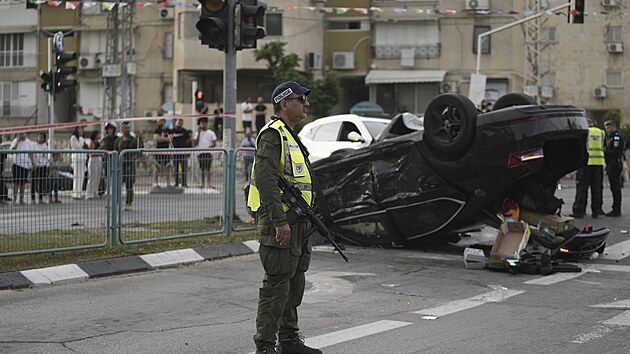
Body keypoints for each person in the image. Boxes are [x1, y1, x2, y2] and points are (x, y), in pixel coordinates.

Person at [247, 82, 321, 354]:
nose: (306, 104)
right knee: (277, 285)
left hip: (299, 222)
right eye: (301, 100)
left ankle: (289, 341)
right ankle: (265, 346)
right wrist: (279, 221)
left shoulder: (292, 135)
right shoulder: (273, 135)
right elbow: (265, 180)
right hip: (281, 223)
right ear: (285, 103)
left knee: (294, 284)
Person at [571, 119, 605, 219]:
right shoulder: (601, 132)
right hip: (598, 163)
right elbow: (602, 146)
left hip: (586, 163)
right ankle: (596, 211)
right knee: (597, 189)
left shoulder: (584, 132)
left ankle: (579, 211)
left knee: (582, 188)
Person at [115, 121, 144, 211]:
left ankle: (129, 203)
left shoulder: (134, 140)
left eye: (128, 128)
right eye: (125, 128)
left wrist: (133, 158)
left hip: (130, 165)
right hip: (120, 165)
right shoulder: (118, 140)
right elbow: (115, 150)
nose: (127, 130)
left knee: (129, 185)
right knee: (118, 185)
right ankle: (116, 203)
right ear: (121, 129)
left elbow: (140, 150)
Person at [603, 120, 625, 217]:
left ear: (613, 127)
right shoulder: (611, 137)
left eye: (608, 128)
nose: (607, 130)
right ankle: (615, 208)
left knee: (616, 187)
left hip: (615, 164)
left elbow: (615, 152)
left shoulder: (616, 137)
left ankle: (616, 209)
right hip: (611, 164)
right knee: (614, 187)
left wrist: (604, 151)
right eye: (606, 128)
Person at [10, 132, 35, 205]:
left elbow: (30, 153)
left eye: (23, 134)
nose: (22, 135)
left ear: (26, 134)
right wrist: (17, 142)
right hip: (17, 164)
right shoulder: (15, 141)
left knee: (23, 183)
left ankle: (21, 199)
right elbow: (12, 151)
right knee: (16, 183)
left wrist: (33, 163)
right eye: (20, 134)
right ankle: (14, 200)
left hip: (25, 165)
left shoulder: (29, 142)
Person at [193, 117, 217, 189]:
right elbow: (195, 143)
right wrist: (199, 134)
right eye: (201, 123)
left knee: (208, 169)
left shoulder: (211, 132)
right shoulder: (198, 133)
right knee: (202, 169)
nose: (202, 124)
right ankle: (202, 183)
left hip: (208, 152)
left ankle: (209, 183)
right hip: (200, 153)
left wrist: (208, 147)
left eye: (204, 123)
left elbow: (214, 143)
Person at [152, 119, 173, 188]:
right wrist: (165, 138)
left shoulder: (168, 130)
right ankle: (156, 183)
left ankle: (168, 183)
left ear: (164, 121)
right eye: (158, 121)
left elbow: (170, 139)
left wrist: (161, 138)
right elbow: (156, 138)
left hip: (166, 151)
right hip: (158, 151)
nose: (159, 122)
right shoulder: (156, 130)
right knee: (157, 167)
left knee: (168, 167)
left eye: (161, 121)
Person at [31, 132, 51, 204]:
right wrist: (33, 164)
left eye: (42, 137)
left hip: (42, 165)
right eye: (39, 137)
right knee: (33, 182)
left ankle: (40, 198)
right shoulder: (33, 145)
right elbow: (31, 154)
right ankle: (33, 198)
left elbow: (46, 156)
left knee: (41, 182)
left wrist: (47, 165)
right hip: (35, 166)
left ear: (44, 139)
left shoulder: (45, 146)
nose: (40, 139)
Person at [171, 119, 192, 188]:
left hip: (183, 153)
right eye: (178, 123)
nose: (179, 124)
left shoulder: (184, 131)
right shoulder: (172, 131)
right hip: (175, 153)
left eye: (180, 123)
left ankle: (184, 183)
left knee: (184, 169)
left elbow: (189, 140)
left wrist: (188, 150)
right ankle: (176, 183)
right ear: (176, 123)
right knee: (176, 169)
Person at [70, 126, 87, 199]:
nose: (81, 130)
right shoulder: (73, 138)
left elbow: (84, 147)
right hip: (77, 159)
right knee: (76, 176)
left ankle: (79, 192)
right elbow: (77, 146)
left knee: (81, 176)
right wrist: (83, 146)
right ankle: (75, 193)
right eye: (79, 129)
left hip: (82, 158)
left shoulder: (82, 138)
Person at [86, 130, 104, 199]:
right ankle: (89, 193)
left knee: (97, 177)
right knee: (92, 177)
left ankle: (95, 192)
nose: (99, 135)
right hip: (93, 159)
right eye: (98, 134)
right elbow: (92, 153)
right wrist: (100, 147)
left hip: (98, 159)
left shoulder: (98, 142)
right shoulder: (92, 142)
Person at [0, 135, 9, 203]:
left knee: (2, 183)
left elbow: (4, 161)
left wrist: (4, 170)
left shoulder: (2, 150)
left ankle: (3, 197)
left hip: (0, 169)